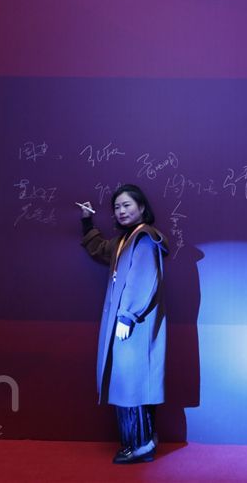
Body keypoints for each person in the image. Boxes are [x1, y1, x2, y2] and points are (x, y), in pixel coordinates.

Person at [78, 184, 169, 464]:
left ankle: (140, 445)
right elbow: (100, 249)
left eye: (127, 205)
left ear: (141, 207)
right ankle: (141, 441)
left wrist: (127, 315)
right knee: (127, 382)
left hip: (134, 323)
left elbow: (143, 277)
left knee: (132, 383)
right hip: (124, 322)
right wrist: (87, 221)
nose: (121, 211)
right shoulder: (123, 241)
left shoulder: (144, 237)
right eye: (117, 207)